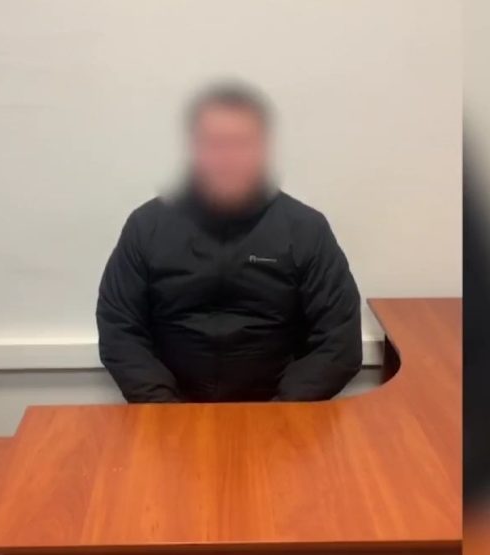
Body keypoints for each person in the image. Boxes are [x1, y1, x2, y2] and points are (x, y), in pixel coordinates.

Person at [96, 82, 362, 403]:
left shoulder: (305, 228)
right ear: (194, 149)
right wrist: (164, 410)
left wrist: (283, 413)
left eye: (241, 144)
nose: (227, 158)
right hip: (169, 411)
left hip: (280, 411)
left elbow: (339, 343)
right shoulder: (146, 225)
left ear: (263, 149)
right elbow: (119, 330)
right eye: (215, 143)